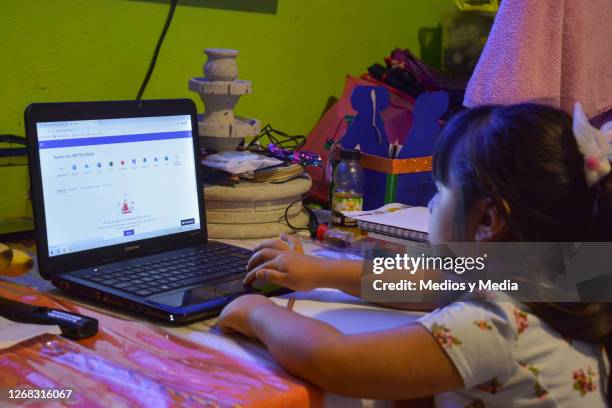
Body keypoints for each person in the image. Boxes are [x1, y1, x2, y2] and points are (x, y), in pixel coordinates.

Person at [217, 103, 612, 407]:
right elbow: (428, 280)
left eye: (441, 189)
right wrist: (321, 272)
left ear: (488, 219)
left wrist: (255, 312)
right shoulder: (571, 278)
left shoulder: (496, 322)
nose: (434, 202)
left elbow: (338, 362)